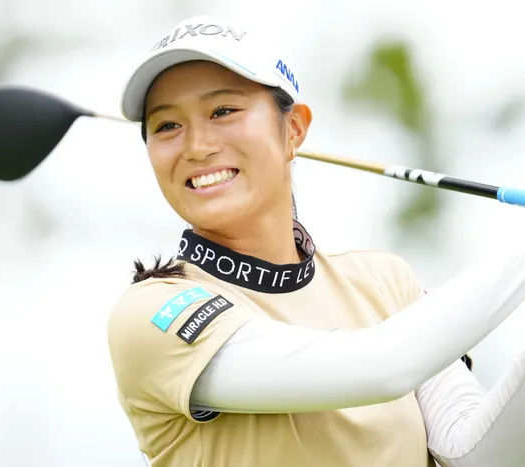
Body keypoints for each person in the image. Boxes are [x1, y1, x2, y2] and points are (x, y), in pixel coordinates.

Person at [107, 15, 525, 467]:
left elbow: (476, 455)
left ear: (294, 129)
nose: (196, 146)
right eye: (167, 125)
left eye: (222, 111)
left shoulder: (385, 281)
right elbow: (383, 366)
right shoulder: (152, 315)